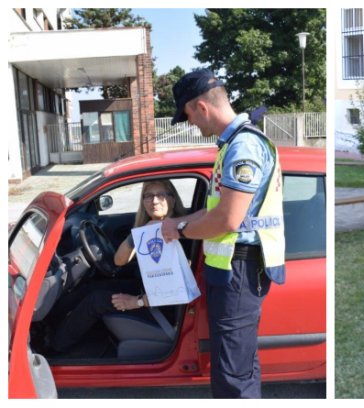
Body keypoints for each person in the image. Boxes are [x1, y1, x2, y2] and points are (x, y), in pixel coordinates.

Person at [160, 69, 285, 398]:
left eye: (187, 116)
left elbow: (228, 220)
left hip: (240, 271)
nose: (190, 125)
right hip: (233, 270)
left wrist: (182, 229)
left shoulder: (243, 147)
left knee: (233, 377)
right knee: (239, 366)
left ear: (202, 107)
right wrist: (178, 224)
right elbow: (217, 210)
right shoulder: (232, 144)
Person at [50, 180, 187, 353]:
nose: (154, 201)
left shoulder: (174, 234)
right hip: (147, 289)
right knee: (90, 288)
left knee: (96, 301)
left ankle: (53, 348)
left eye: (161, 195)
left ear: (173, 199)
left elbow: (173, 291)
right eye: (148, 196)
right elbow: (119, 260)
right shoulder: (151, 230)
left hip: (162, 311)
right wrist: (139, 234)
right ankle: (51, 322)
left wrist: (135, 301)